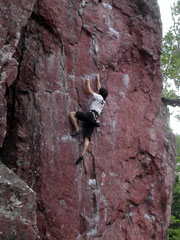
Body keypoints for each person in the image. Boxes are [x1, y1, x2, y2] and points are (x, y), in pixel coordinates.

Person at [69, 74, 108, 165]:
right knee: (87, 138)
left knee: (72, 114)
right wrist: (98, 78)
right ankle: (82, 154)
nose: (98, 90)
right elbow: (99, 88)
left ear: (100, 93)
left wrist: (88, 83)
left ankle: (77, 130)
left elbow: (89, 91)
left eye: (99, 91)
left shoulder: (98, 97)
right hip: (94, 119)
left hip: (90, 115)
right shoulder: (103, 100)